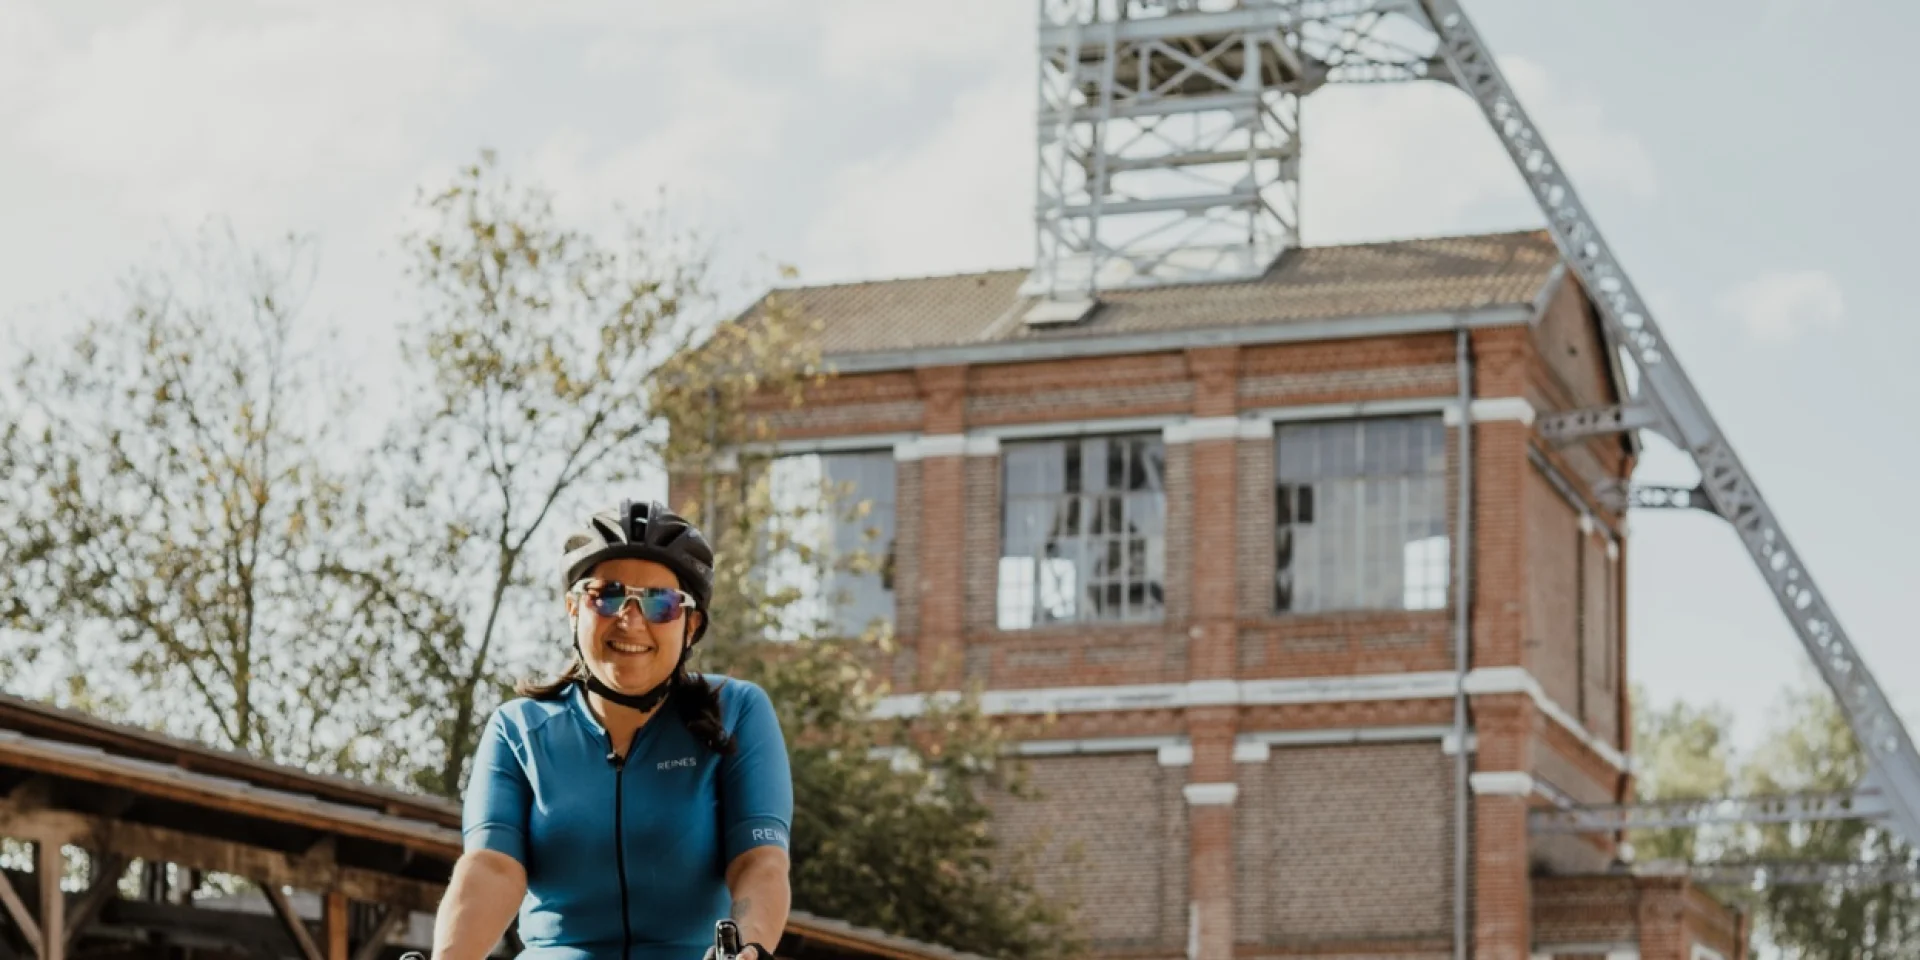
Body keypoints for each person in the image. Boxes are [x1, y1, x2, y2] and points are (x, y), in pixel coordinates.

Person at [423, 500, 793, 960]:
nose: (631, 619)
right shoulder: (517, 730)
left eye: (662, 603)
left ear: (691, 624)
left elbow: (760, 861)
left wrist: (748, 946)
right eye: (608, 595)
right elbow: (491, 868)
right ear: (574, 608)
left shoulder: (737, 711)